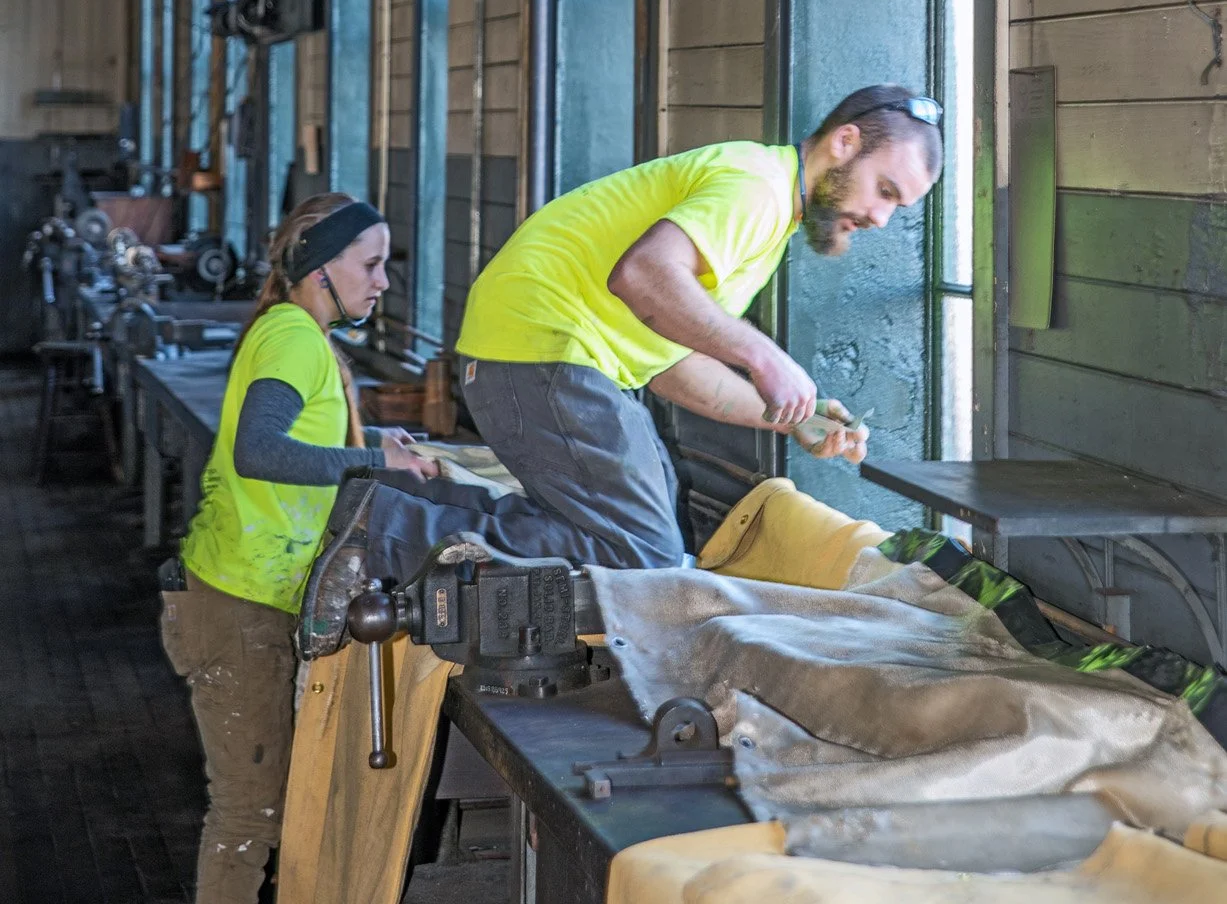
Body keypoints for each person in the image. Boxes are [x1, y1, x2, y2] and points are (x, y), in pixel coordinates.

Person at [299, 86, 942, 656]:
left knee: (653, 534)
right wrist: (765, 356)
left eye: (899, 207)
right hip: (546, 347)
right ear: (845, 141)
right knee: (646, 559)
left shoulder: (766, 212)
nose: (881, 218)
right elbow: (642, 276)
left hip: (548, 353)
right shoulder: (758, 188)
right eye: (885, 190)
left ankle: (399, 509)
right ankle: (384, 527)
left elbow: (669, 365)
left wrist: (790, 420)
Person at [158, 193, 438, 904]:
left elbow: (303, 442)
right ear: (321, 271)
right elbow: (260, 451)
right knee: (249, 815)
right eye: (370, 265)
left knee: (262, 805)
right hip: (235, 603)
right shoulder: (291, 336)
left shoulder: (297, 332)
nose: (381, 282)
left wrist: (374, 444)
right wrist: (373, 465)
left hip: (251, 596)